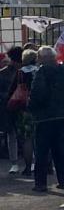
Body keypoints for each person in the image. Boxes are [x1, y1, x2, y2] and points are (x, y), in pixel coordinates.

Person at [28, 45, 64, 192]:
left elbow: (38, 94)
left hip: (44, 118)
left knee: (42, 152)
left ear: (42, 58)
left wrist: (32, 107)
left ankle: (41, 183)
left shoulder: (41, 72)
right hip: (61, 116)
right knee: (61, 150)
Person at [8, 49, 36, 178]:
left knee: (27, 139)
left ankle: (28, 166)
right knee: (41, 137)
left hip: (24, 109)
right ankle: (45, 165)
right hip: (40, 109)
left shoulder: (21, 73)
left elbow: (13, 90)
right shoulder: (40, 71)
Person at [0, 46, 23, 175]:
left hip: (12, 106)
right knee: (13, 134)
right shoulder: (3, 73)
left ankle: (16, 163)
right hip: (11, 107)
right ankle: (15, 162)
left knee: (14, 135)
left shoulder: (4, 73)